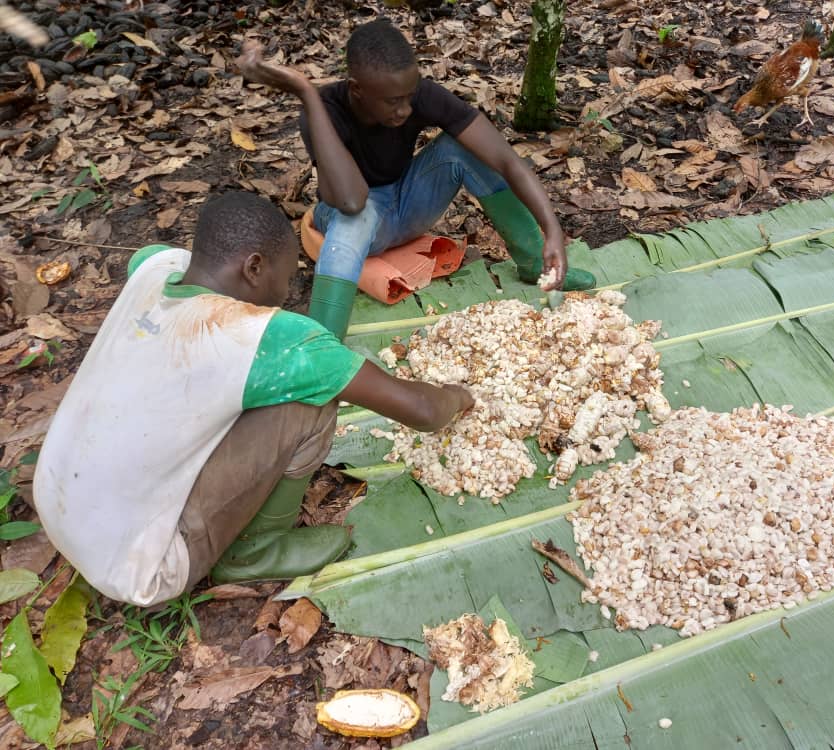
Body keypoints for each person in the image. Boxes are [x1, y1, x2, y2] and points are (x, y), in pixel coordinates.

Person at [33, 192, 473, 607]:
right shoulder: (266, 337)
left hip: (58, 505)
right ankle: (254, 552)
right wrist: (461, 395)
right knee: (311, 401)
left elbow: (145, 257)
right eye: (286, 278)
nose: (286, 293)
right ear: (254, 268)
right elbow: (424, 412)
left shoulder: (157, 269)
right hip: (144, 568)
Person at [237, 18, 597, 341]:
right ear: (357, 89)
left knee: (463, 148)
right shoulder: (325, 110)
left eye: (409, 97)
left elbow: (506, 160)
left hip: (407, 203)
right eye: (393, 101)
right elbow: (349, 200)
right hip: (356, 221)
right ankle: (324, 343)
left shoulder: (416, 95)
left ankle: (533, 260)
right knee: (354, 216)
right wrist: (307, 95)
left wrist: (550, 230)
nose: (405, 110)